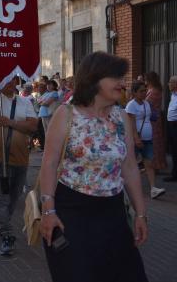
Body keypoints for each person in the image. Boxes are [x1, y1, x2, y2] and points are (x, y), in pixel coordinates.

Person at [39, 52, 148, 282]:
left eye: (122, 77)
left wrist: (140, 214)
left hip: (113, 213)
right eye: (115, 77)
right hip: (72, 213)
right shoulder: (66, 114)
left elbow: (129, 166)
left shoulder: (121, 118)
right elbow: (48, 164)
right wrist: (48, 211)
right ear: (94, 79)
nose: (122, 83)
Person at [0, 77, 38, 256]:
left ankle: (2, 222)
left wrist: (11, 123)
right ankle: (7, 234)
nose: (11, 83)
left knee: (13, 196)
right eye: (6, 79)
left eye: (13, 80)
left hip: (20, 158)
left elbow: (33, 126)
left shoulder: (24, 102)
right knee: (1, 199)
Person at [126, 81, 166, 199]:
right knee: (131, 165)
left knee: (149, 163)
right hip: (136, 140)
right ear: (134, 92)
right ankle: (129, 189)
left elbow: (148, 119)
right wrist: (136, 138)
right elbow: (131, 123)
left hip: (148, 138)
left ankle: (153, 188)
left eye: (145, 90)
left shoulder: (146, 104)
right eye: (141, 91)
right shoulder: (131, 105)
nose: (144, 93)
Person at [145, 71, 167, 170]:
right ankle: (158, 163)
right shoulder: (155, 89)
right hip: (155, 117)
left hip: (153, 119)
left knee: (154, 141)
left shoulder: (154, 90)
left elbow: (146, 102)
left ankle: (156, 164)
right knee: (156, 140)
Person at [164, 75, 177, 182]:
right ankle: (174, 173)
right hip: (170, 125)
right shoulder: (173, 95)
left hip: (175, 125)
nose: (168, 84)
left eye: (170, 82)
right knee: (173, 149)